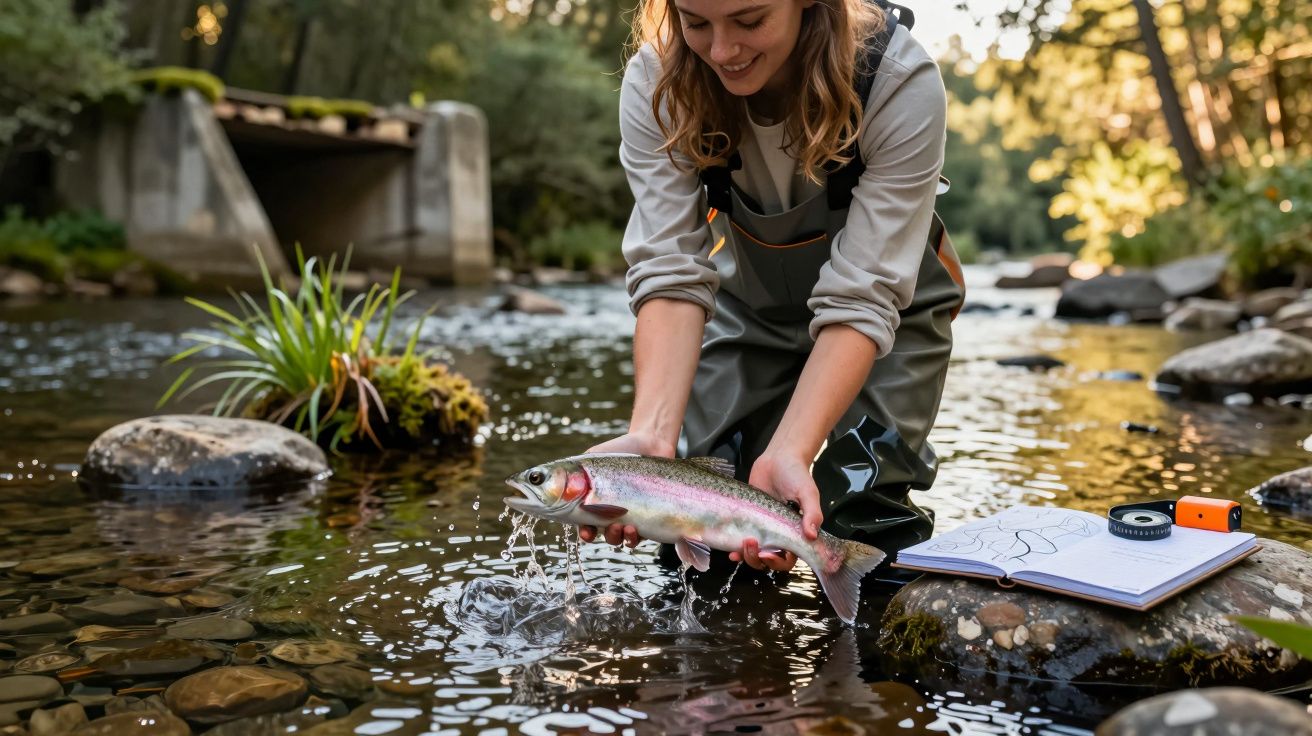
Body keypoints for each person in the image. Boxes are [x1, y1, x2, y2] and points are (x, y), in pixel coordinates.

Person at [580, 0, 965, 578]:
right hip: (749, 309)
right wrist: (651, 438)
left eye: (750, 20)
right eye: (696, 22)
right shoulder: (658, 82)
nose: (721, 52)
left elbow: (863, 297)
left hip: (889, 315)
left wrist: (793, 450)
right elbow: (671, 271)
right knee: (703, 535)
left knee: (861, 510)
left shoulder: (898, 81)